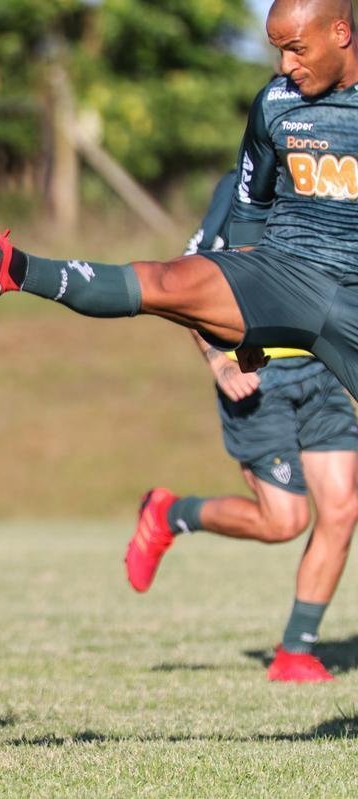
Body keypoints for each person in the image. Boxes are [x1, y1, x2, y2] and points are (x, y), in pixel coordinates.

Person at [0, 2, 358, 503]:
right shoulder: (274, 104)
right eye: (279, 50)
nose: (287, 65)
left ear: (340, 32)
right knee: (167, 281)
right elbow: (251, 203)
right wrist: (253, 311)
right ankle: (11, 267)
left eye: (297, 49)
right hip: (287, 274)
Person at [127, 170, 358, 682]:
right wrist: (219, 361)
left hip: (321, 371)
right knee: (285, 522)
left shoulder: (336, 180)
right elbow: (181, 279)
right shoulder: (242, 190)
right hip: (258, 380)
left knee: (342, 509)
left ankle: (296, 651)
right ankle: (171, 513)